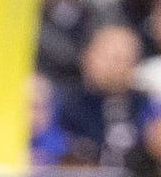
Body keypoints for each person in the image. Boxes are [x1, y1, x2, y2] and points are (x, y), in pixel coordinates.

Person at [56, 24, 148, 168]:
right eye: (111, 57)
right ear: (86, 56)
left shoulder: (146, 107)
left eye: (127, 59)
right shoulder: (62, 105)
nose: (117, 67)